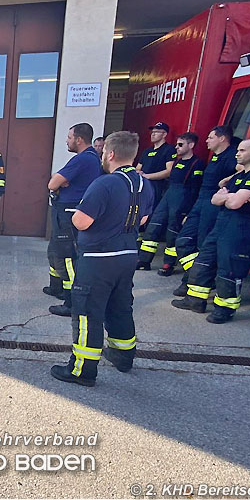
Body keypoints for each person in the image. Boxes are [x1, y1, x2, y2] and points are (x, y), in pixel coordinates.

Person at [50, 131, 154, 388]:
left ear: (111, 153)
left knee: (87, 312)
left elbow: (82, 221)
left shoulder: (104, 184)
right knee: (120, 307)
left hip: (98, 259)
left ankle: (82, 369)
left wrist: (78, 216)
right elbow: (142, 220)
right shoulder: (144, 184)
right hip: (127, 255)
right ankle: (123, 356)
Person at [171, 138, 250, 323]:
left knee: (229, 268)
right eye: (238, 150)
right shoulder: (239, 177)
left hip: (241, 227)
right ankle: (195, 300)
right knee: (204, 260)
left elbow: (234, 203)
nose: (237, 153)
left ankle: (224, 310)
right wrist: (230, 196)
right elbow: (215, 199)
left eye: (242, 150)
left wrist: (229, 197)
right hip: (222, 223)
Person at [173, 125, 240, 296]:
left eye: (210, 137)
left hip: (214, 205)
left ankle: (197, 283)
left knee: (203, 245)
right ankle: (191, 275)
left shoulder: (232, 155)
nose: (206, 141)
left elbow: (246, 171)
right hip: (201, 202)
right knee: (183, 240)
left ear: (222, 138)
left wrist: (227, 180)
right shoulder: (215, 157)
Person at [45, 123, 102, 317]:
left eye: (69, 137)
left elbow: (53, 183)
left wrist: (61, 181)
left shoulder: (82, 159)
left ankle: (71, 302)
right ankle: (56, 287)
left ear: (79, 139)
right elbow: (57, 180)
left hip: (68, 215)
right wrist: (61, 180)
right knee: (55, 252)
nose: (67, 141)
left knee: (67, 257)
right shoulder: (91, 158)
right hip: (66, 213)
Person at [136, 132, 204, 274]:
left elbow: (195, 188)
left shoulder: (197, 164)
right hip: (169, 195)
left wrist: (189, 210)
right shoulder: (177, 162)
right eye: (176, 144)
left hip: (183, 198)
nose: (177, 147)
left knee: (172, 231)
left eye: (180, 145)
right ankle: (144, 260)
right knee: (154, 225)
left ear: (191, 145)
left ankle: (168, 264)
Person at [136, 122, 177, 209]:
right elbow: (138, 168)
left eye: (157, 132)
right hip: (143, 186)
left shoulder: (169, 149)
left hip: (158, 187)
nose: (153, 134)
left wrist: (148, 176)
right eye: (152, 132)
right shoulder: (147, 151)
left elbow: (169, 171)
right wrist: (139, 173)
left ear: (164, 134)